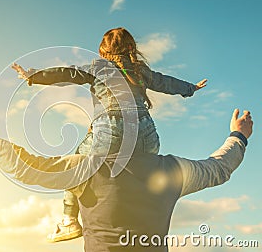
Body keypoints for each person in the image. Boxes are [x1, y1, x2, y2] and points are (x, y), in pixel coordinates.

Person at [0, 98, 252, 252]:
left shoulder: (87, 169)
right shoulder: (172, 170)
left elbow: (27, 166)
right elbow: (219, 168)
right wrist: (238, 136)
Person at [11, 27, 207, 241]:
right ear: (132, 48)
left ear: (103, 51)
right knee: (140, 171)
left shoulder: (98, 67)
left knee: (75, 166)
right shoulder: (140, 70)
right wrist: (190, 88)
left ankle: (69, 221)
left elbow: (68, 73)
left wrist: (34, 76)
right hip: (147, 135)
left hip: (110, 133)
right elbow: (165, 82)